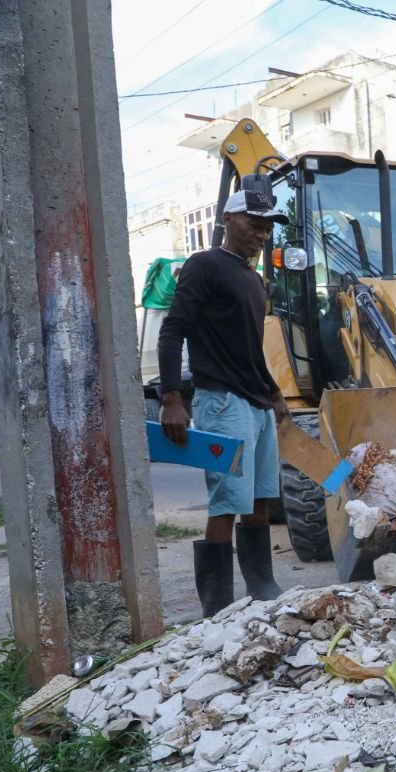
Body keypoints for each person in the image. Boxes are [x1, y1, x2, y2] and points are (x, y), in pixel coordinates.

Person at [159, 189, 291, 618]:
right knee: (228, 502)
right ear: (228, 219)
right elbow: (172, 331)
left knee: (260, 501)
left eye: (267, 225)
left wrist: (274, 393)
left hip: (255, 402)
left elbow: (251, 349)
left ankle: (261, 591)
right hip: (222, 401)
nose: (262, 232)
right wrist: (171, 397)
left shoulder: (252, 279)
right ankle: (217, 606)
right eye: (254, 222)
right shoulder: (204, 265)